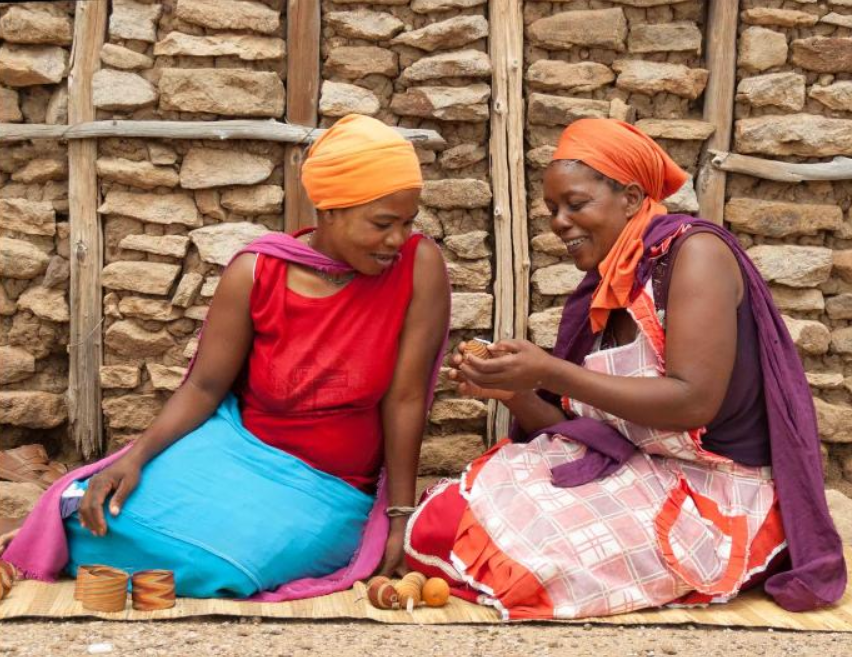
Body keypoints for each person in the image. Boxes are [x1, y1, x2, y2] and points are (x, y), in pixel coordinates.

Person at [404, 118, 846, 620]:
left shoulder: (695, 254)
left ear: (632, 199)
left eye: (575, 204)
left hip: (716, 491)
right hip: (641, 471)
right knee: (442, 519)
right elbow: (591, 433)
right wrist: (512, 390)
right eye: (552, 210)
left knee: (529, 568)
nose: (559, 223)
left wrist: (549, 372)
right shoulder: (609, 285)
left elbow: (692, 401)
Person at [1, 115, 450, 600]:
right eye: (382, 224)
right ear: (329, 210)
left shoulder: (417, 268)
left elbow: (405, 400)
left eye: (408, 222)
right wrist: (136, 457)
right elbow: (203, 388)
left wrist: (399, 515)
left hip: (330, 486)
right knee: (101, 513)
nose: (398, 240)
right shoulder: (257, 272)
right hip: (233, 449)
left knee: (218, 562)